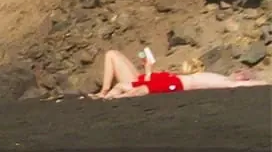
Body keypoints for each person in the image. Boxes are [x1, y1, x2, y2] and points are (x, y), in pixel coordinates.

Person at [91, 49, 265, 98]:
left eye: (242, 73)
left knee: (128, 86)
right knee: (112, 54)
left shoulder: (225, 81)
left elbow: (237, 84)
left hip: (157, 82)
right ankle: (104, 92)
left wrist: (263, 83)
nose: (239, 72)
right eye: (240, 71)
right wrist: (148, 66)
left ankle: (106, 94)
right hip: (150, 79)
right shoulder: (218, 77)